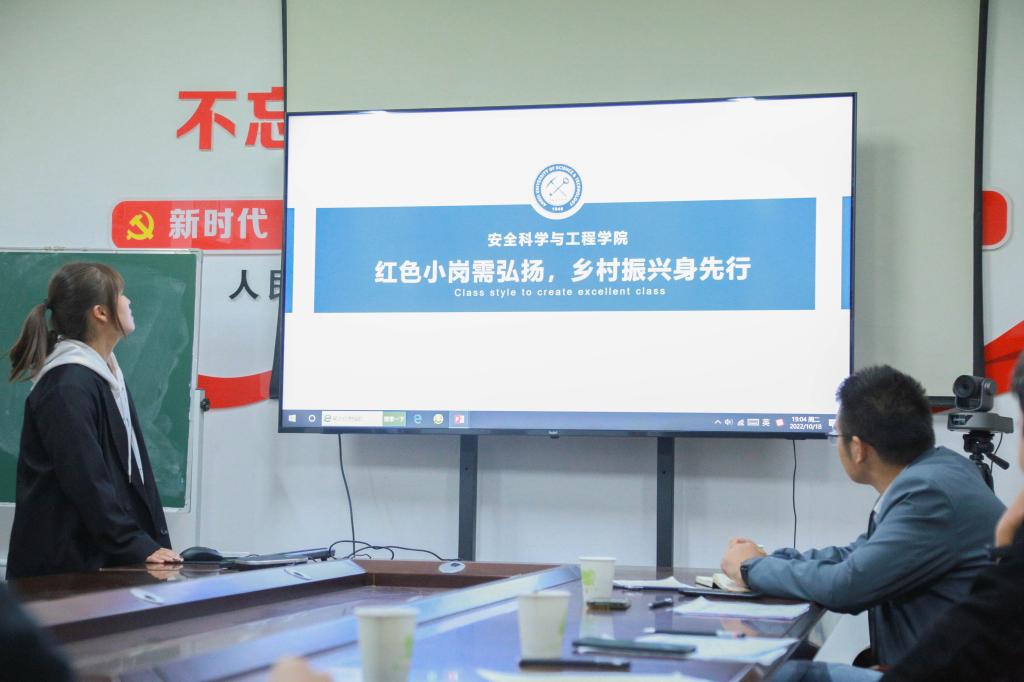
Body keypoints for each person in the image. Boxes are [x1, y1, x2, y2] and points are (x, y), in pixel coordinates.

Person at [720, 365, 1004, 667]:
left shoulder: (927, 494)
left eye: (836, 435)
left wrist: (751, 568)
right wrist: (772, 560)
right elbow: (858, 555)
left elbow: (846, 586)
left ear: (858, 449)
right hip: (936, 664)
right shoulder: (940, 471)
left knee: (780, 672)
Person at [5, 262, 181, 579]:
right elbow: (86, 479)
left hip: (94, 566)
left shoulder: (103, 375)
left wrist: (147, 542)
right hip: (63, 576)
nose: (129, 302)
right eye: (121, 294)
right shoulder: (67, 386)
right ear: (100, 313)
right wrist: (135, 544)